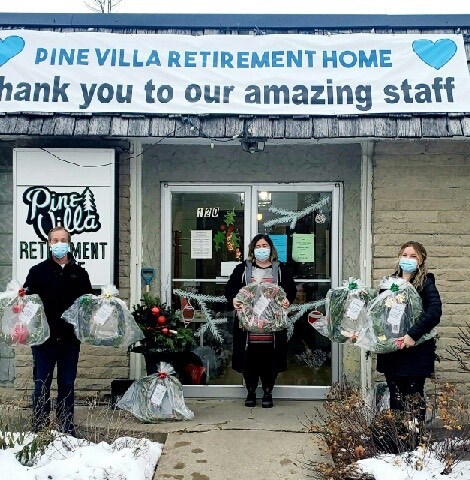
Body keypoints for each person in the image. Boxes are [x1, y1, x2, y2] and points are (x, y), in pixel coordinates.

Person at [24, 226, 92, 435]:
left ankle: (66, 429)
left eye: (63, 240)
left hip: (70, 340)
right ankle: (40, 429)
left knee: (67, 384)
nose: (59, 244)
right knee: (41, 384)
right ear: (49, 243)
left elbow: (88, 305)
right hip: (44, 340)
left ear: (69, 243)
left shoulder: (79, 274)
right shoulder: (37, 272)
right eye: (55, 240)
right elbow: (27, 302)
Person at [225, 234, 296, 408]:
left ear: (271, 249)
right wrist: (234, 299)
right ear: (253, 249)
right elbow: (231, 287)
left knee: (270, 359)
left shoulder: (280, 269)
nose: (262, 249)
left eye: (265, 245)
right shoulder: (243, 269)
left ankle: (267, 392)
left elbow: (290, 290)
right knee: (249, 358)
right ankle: (250, 391)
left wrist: (287, 301)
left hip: (272, 325)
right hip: (248, 325)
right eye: (258, 246)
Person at [376, 241, 442, 421]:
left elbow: (434, 311)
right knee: (395, 397)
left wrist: (412, 335)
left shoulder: (426, 283)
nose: (408, 259)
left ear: (421, 261)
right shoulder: (389, 283)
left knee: (413, 397)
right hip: (393, 350)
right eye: (405, 255)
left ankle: (415, 440)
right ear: (399, 257)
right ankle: (397, 441)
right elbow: (378, 312)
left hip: (415, 352)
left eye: (413, 256)